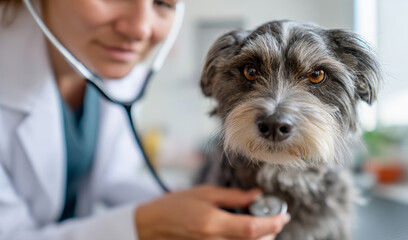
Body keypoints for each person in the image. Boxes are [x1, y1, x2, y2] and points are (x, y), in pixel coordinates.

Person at [0, 0, 290, 239]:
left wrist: (186, 205)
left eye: (163, 3)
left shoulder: (115, 72)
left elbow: (113, 179)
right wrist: (143, 225)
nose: (140, 28)